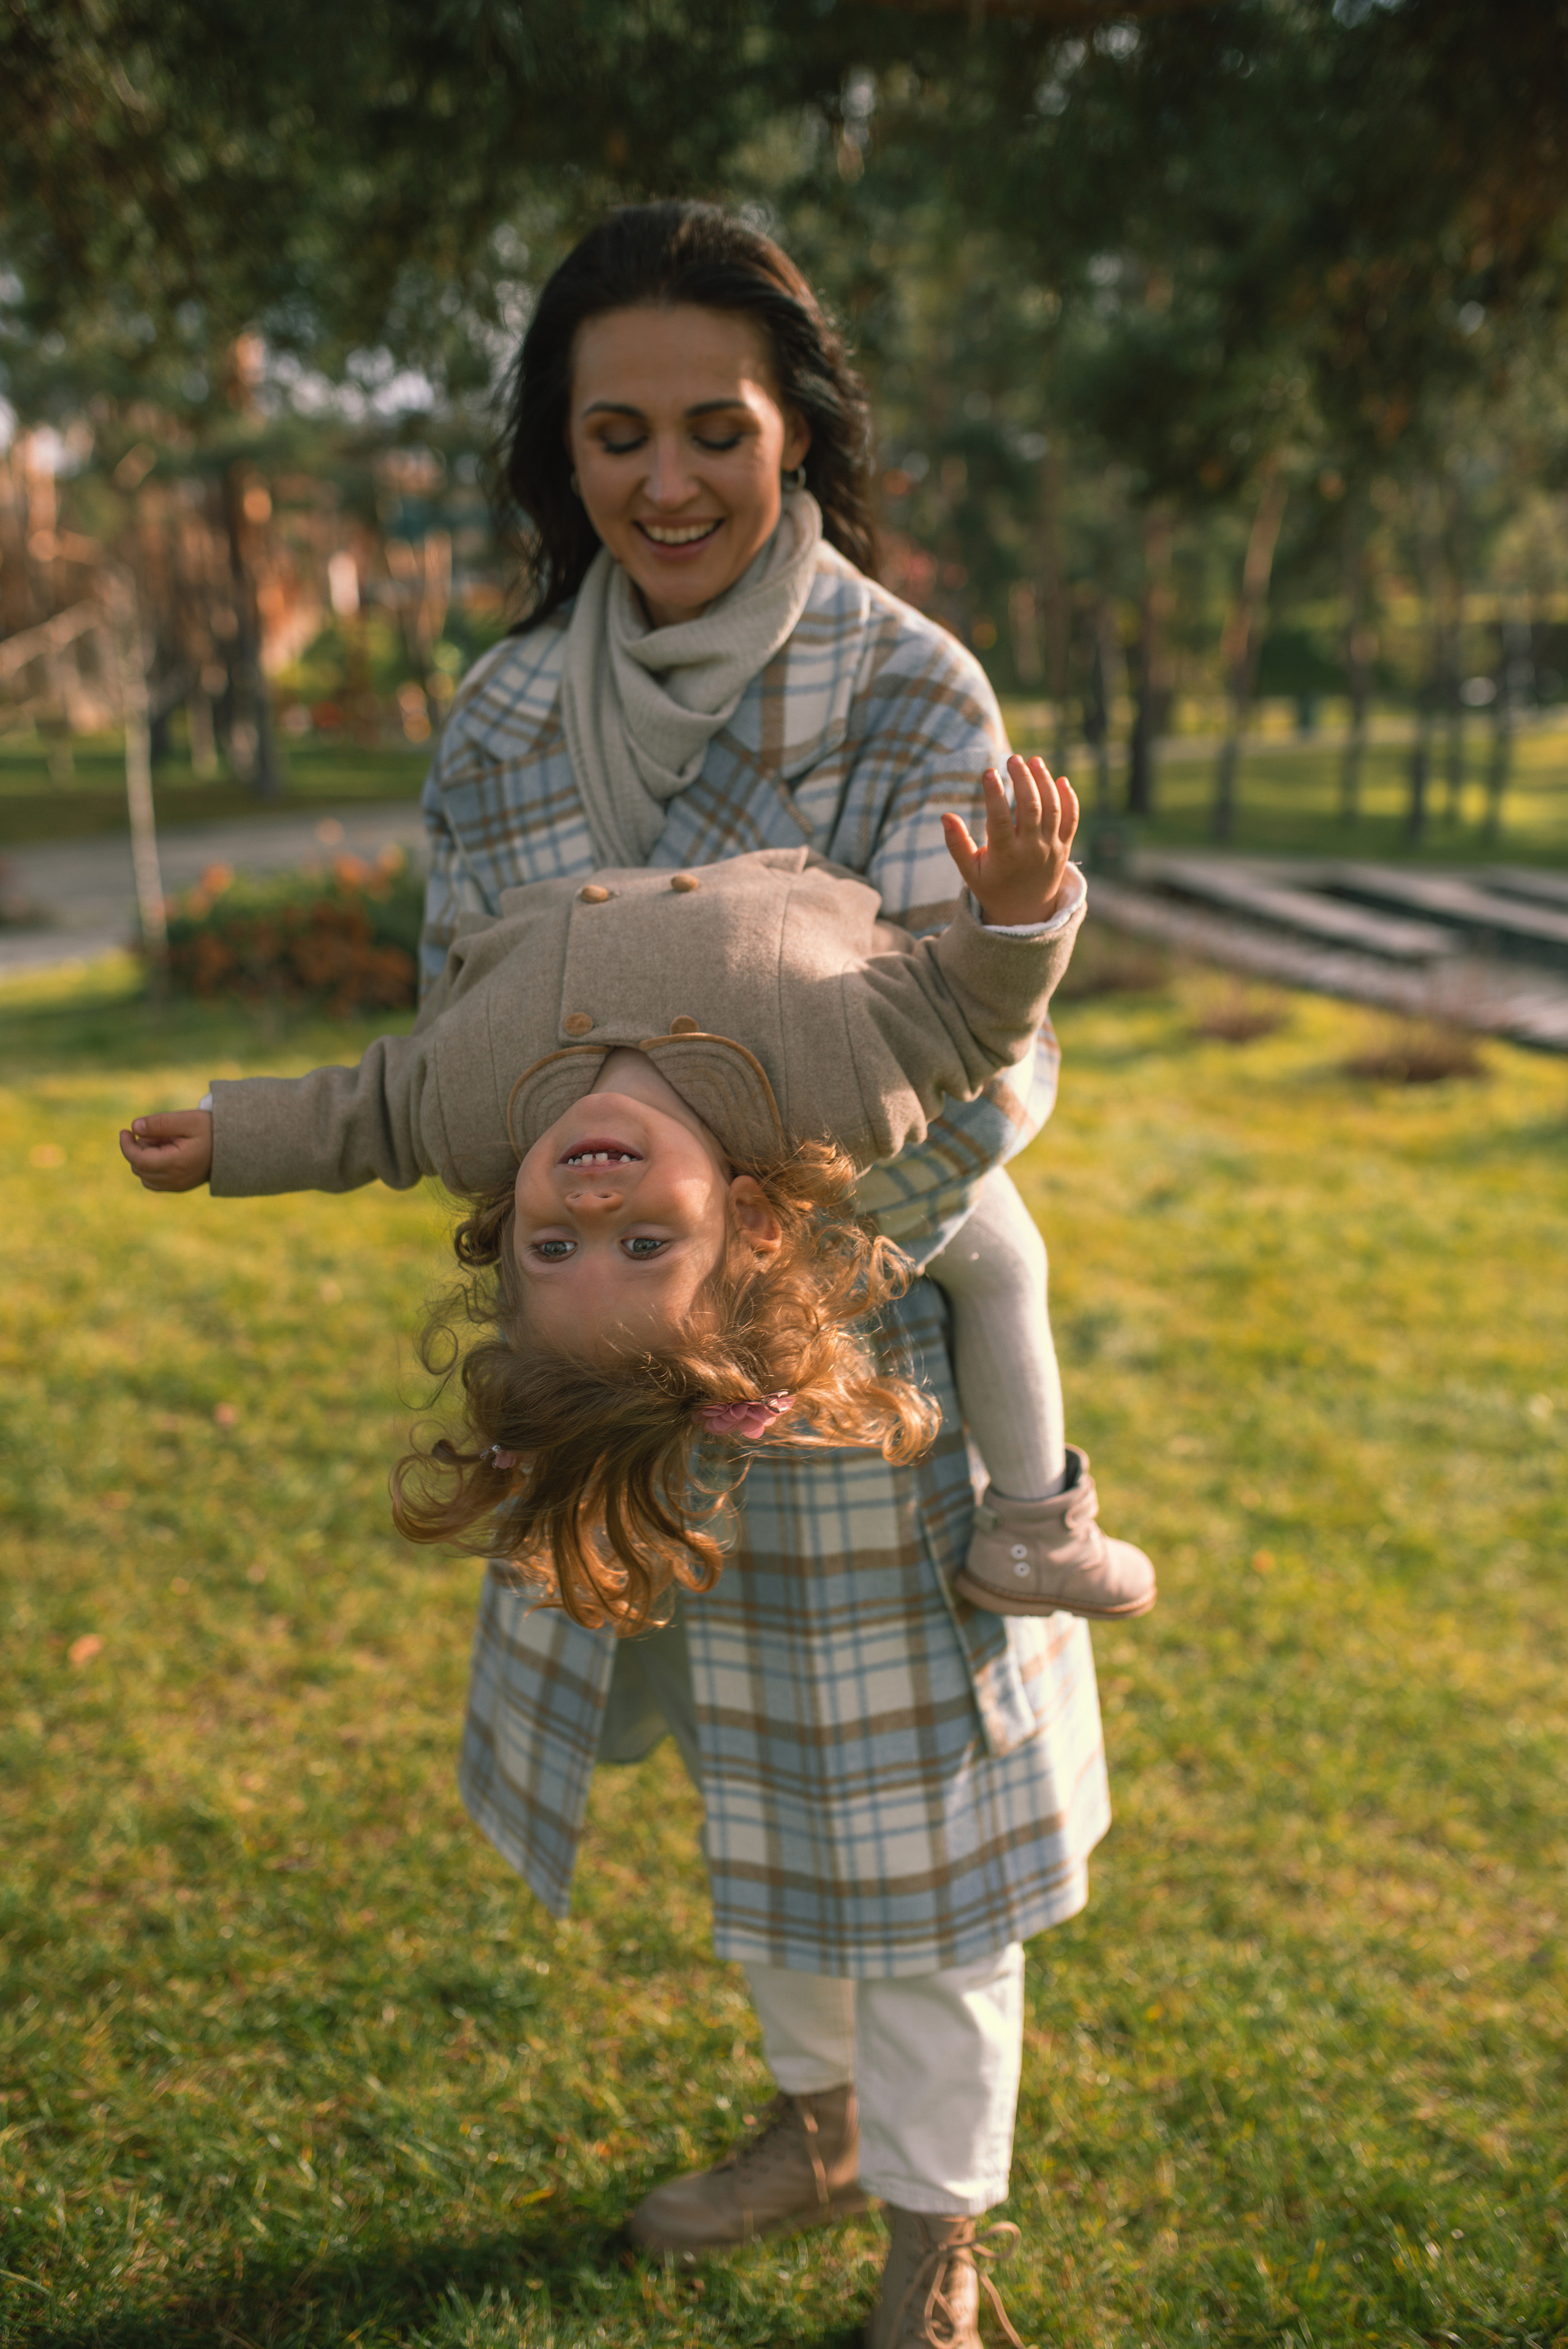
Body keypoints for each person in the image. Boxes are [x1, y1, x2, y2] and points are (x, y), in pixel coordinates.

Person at [140, 202, 1129, 2348]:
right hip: (618, 1359)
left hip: (857, 1370)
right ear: (558, 451)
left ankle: (935, 2239)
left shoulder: (908, 685)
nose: (666, 482)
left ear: (797, 436)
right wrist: (599, 1271)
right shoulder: (509, 713)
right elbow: (464, 1045)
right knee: (758, 1799)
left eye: (715, 430)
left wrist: (754, 1287)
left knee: (923, 1848)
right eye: (616, 435)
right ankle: (818, 2120)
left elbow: (985, 1059)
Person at [120, 765, 1155, 1643]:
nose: (592, 1201)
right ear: (750, 1221)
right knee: (1006, 1259)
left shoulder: (471, 1110)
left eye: (553, 1247)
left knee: (1003, 1260)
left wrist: (231, 1138)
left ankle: (1037, 1531)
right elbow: (968, 1017)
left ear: (505, 1233)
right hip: (790, 889)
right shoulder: (837, 1087)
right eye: (647, 1241)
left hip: (565, 881)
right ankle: (1041, 1526)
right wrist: (1019, 911)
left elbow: (368, 1112)